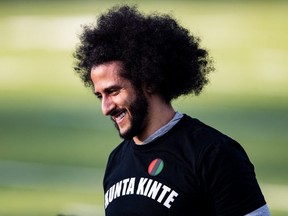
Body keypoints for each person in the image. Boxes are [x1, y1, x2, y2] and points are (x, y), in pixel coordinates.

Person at [73, 5, 270, 216]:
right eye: (99, 96)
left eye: (113, 91)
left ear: (148, 81)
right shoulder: (116, 161)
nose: (106, 108)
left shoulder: (213, 154)